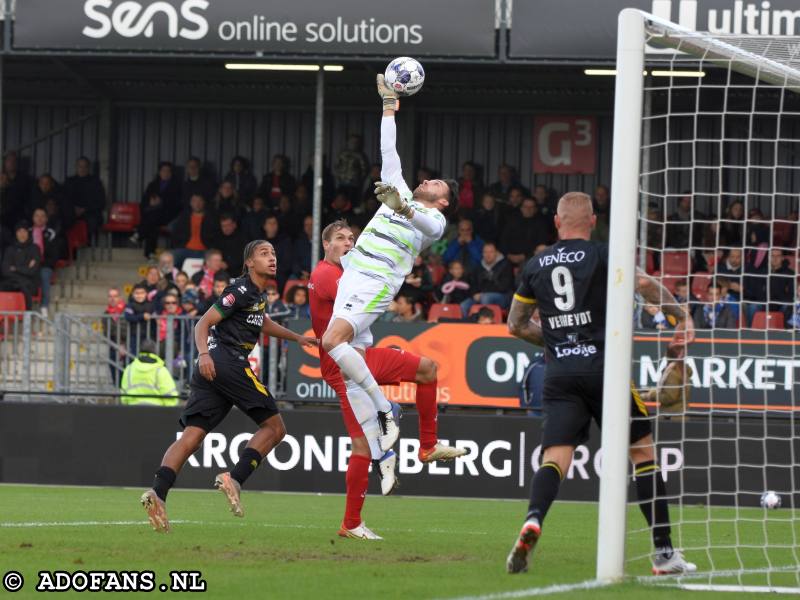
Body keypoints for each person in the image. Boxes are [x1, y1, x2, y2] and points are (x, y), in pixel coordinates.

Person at [505, 191, 696, 576]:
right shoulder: (604, 255)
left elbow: (516, 324)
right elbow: (644, 286)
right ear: (592, 221)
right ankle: (664, 554)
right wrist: (682, 317)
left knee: (555, 458)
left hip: (559, 374)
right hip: (603, 369)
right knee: (642, 455)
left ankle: (534, 519)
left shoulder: (537, 264)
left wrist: (557, 341)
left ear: (557, 222)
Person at [320, 74, 458, 452]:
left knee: (332, 342)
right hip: (353, 274)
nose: (428, 181)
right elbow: (388, 149)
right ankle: (385, 448)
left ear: (442, 201)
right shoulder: (397, 185)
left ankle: (385, 409)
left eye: (437, 185)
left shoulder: (436, 219)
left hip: (375, 283)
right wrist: (387, 106)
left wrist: (404, 209)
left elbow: (428, 224)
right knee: (352, 361)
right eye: (429, 179)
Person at [140, 240, 317, 532]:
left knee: (192, 437)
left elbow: (262, 322)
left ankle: (157, 494)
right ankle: (234, 478)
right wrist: (205, 354)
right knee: (276, 429)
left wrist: (296, 338)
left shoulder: (255, 294)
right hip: (226, 362)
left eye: (273, 253)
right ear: (249, 263)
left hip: (215, 369)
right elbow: (202, 323)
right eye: (264, 254)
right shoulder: (241, 290)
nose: (272, 258)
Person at [309, 220, 465, 539]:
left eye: (352, 237)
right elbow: (365, 298)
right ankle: (353, 520)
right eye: (340, 238)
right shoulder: (328, 274)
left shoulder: (341, 273)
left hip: (360, 360)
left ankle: (422, 445)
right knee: (362, 445)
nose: (349, 242)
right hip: (345, 367)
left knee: (427, 370)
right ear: (326, 245)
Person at [134, 162, 181, 257]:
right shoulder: (152, 185)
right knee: (152, 224)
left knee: (151, 219)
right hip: (153, 215)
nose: (166, 173)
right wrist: (151, 203)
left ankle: (140, 234)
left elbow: (178, 204)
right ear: (159, 172)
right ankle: (150, 254)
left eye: (168, 171)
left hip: (168, 215)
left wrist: (161, 202)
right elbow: (144, 201)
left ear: (171, 173)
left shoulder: (177, 186)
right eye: (163, 171)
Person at [120, 339, 179, 407]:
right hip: (158, 413)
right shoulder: (160, 370)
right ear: (156, 352)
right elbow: (171, 399)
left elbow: (123, 397)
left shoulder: (129, 369)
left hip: (132, 412)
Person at [30, 207, 64, 317]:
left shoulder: (51, 233)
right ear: (33, 218)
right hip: (28, 265)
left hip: (44, 265)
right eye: (37, 215)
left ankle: (44, 305)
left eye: (42, 216)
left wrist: (41, 263)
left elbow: (54, 254)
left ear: (46, 219)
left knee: (44, 274)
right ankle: (26, 307)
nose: (39, 218)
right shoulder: (27, 232)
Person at [171, 194, 219, 270]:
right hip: (185, 249)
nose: (197, 203)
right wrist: (179, 245)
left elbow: (216, 236)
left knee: (215, 260)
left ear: (204, 202)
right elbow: (175, 234)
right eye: (194, 201)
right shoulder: (184, 217)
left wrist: (211, 248)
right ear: (190, 203)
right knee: (169, 258)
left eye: (200, 201)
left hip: (204, 251)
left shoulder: (211, 218)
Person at [0, 221, 41, 309]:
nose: (22, 234)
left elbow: (32, 271)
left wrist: (15, 268)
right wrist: (24, 269)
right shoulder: (10, 249)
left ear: (28, 233)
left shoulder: (35, 249)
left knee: (23, 287)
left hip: (29, 283)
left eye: (24, 231)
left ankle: (27, 317)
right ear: (16, 234)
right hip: (12, 282)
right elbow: (5, 271)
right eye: (19, 231)